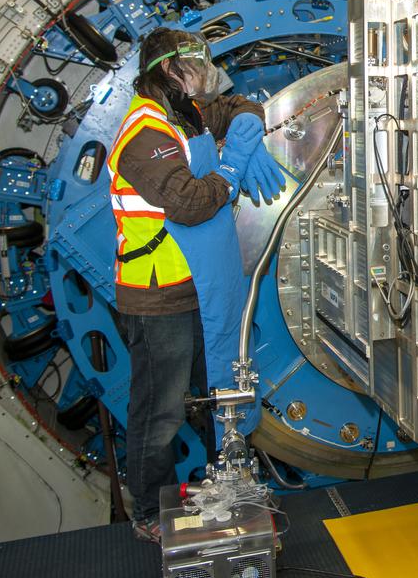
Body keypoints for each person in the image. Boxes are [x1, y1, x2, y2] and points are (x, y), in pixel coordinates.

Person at [106, 27, 285, 543]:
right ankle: (146, 511)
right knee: (159, 412)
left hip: (197, 290)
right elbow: (188, 202)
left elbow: (234, 106)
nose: (205, 81)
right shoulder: (145, 133)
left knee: (217, 396)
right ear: (168, 71)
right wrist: (232, 169)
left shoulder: (182, 113)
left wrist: (248, 128)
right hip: (157, 297)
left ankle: (226, 488)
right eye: (196, 69)